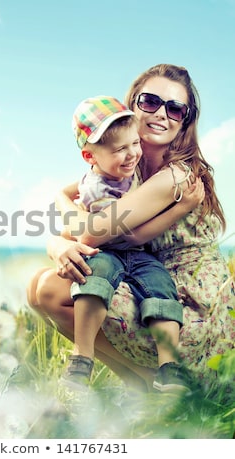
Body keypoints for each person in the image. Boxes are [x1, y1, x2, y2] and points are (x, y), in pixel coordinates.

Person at [27, 64, 235, 398]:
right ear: (132, 106)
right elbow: (80, 207)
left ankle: (171, 390)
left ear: (185, 120)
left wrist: (62, 208)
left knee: (52, 288)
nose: (161, 114)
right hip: (145, 279)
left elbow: (93, 233)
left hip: (187, 306)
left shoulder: (178, 175)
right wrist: (57, 244)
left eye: (175, 108)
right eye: (150, 101)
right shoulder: (125, 165)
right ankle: (142, 384)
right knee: (35, 288)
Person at [61, 95, 202, 393]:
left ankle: (169, 367)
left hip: (138, 257)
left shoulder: (139, 173)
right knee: (92, 280)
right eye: (119, 149)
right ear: (91, 157)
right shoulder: (90, 184)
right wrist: (64, 240)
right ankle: (82, 356)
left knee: (161, 287)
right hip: (106, 251)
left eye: (134, 144)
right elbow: (88, 230)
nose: (131, 154)